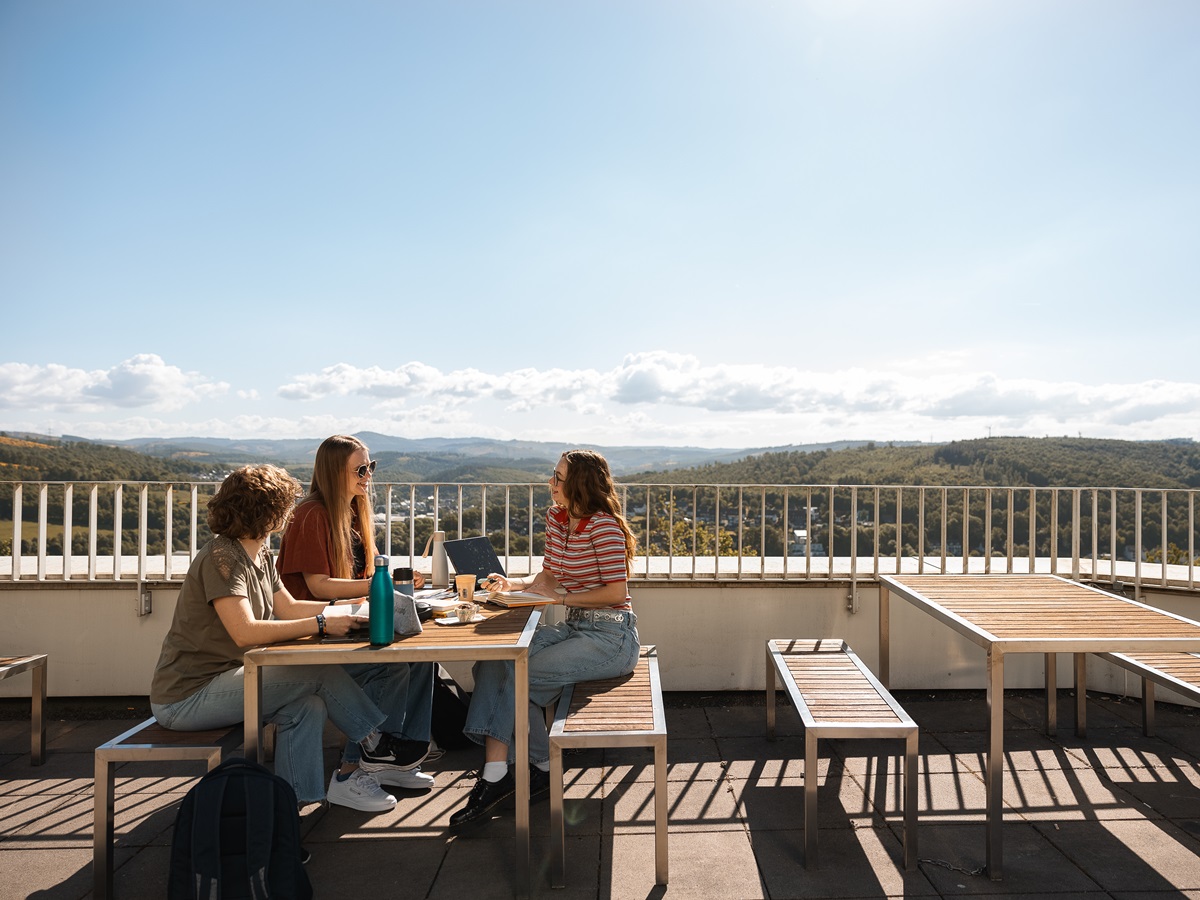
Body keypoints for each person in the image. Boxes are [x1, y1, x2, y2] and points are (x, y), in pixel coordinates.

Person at [150, 464, 420, 813]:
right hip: (187, 697)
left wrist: (349, 607)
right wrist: (322, 624)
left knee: (309, 706)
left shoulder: (259, 552)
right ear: (268, 510)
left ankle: (291, 809)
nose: (291, 512)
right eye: (285, 505)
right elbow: (245, 631)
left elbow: (288, 607)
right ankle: (375, 742)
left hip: (234, 678)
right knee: (316, 671)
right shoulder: (222, 558)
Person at [449, 448, 641, 828]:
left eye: (558, 477)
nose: (550, 483)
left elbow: (616, 593)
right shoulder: (557, 518)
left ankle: (502, 774)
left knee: (515, 674)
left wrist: (561, 599)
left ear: (579, 483)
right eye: (553, 475)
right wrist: (513, 584)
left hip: (611, 637)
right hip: (576, 628)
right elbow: (548, 577)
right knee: (496, 661)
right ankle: (535, 768)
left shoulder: (603, 527)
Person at [277, 434, 435, 790]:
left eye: (370, 466)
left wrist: (398, 579)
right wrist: (376, 586)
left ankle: (402, 758)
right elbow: (319, 586)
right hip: (317, 633)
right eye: (360, 469)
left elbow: (370, 575)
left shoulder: (353, 513)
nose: (369, 475)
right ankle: (355, 768)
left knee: (423, 658)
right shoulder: (311, 515)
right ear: (335, 472)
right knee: (392, 666)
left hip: (350, 623)